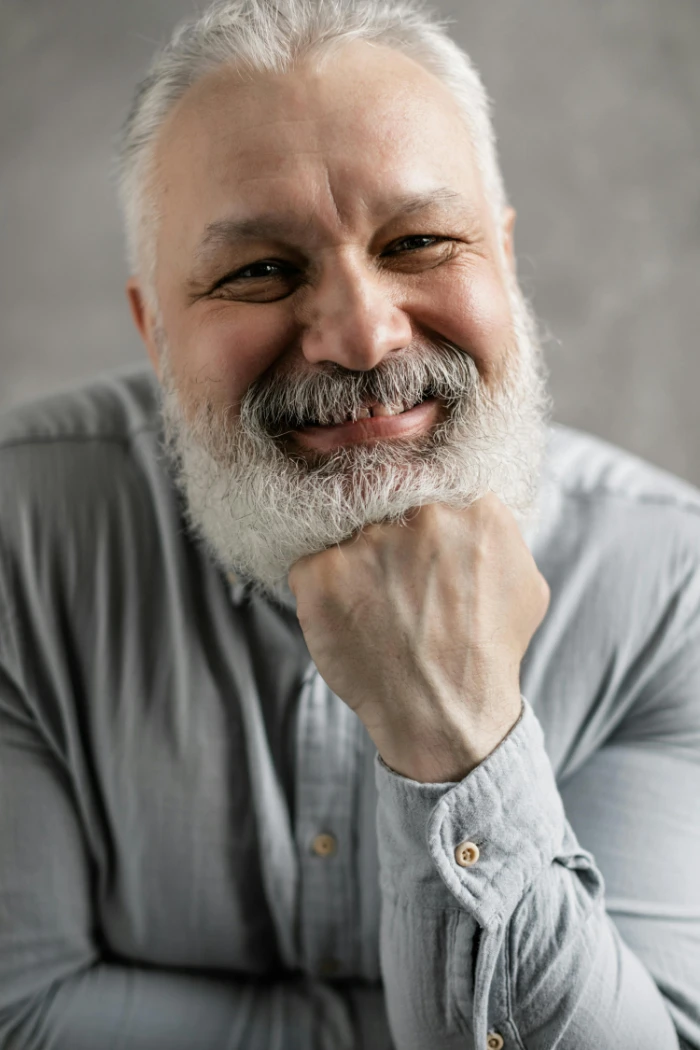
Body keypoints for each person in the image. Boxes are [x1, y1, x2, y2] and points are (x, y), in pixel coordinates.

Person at [0, 0, 698, 1046]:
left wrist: (459, 741)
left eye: (418, 242)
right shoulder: (16, 540)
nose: (364, 338)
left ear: (501, 264)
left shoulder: (669, 585)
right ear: (154, 329)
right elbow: (22, 1016)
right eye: (260, 271)